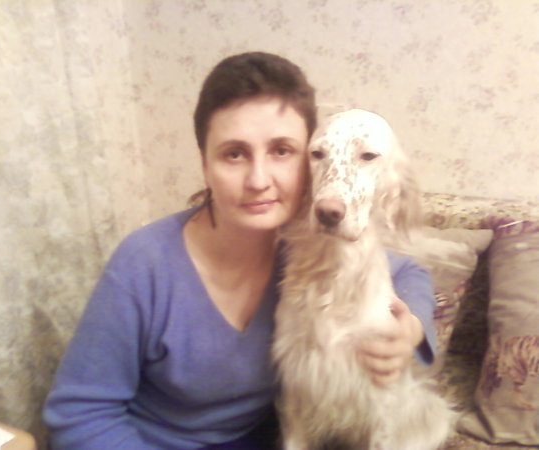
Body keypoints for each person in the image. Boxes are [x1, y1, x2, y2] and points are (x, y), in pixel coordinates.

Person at [43, 52, 436, 449]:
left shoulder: (304, 248)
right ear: (205, 165)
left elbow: (408, 273)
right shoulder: (144, 264)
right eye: (234, 153)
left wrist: (413, 328)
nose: (258, 180)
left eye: (281, 151)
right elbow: (80, 416)